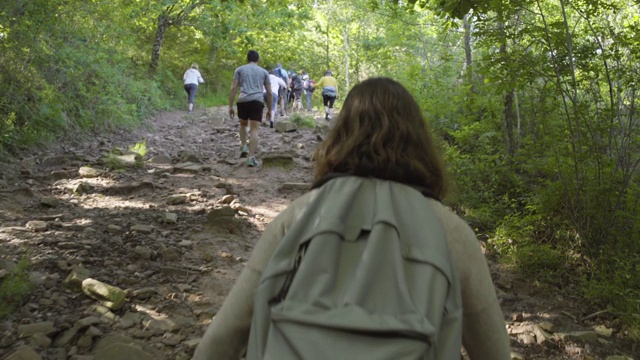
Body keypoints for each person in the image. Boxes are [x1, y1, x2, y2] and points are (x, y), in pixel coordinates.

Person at [193, 77, 511, 359]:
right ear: (420, 143)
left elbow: (224, 336)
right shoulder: (451, 231)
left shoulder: (301, 216)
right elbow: (493, 350)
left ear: (342, 135)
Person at [228, 50, 272, 167]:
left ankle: (244, 146)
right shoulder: (264, 72)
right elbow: (269, 93)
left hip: (243, 100)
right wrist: (269, 109)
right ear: (258, 59)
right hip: (257, 101)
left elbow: (233, 88)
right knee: (254, 130)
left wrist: (230, 106)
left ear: (247, 59)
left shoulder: (239, 70)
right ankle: (251, 157)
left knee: (243, 125)